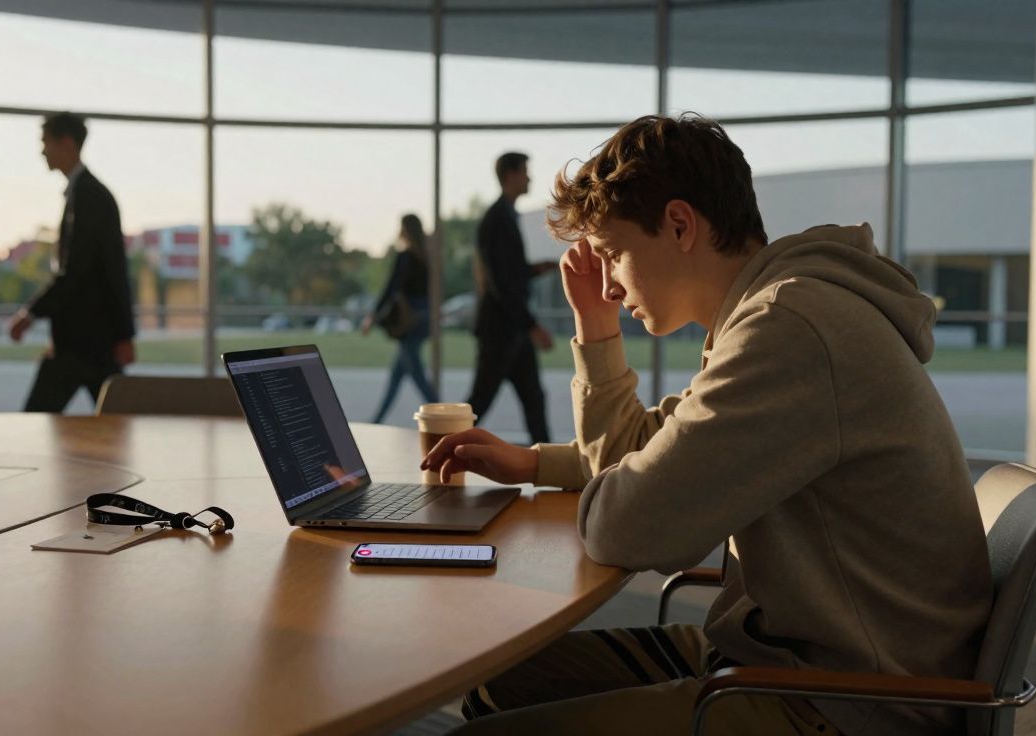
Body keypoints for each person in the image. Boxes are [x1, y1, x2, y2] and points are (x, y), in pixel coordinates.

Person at [422, 114, 992, 736]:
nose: (608, 284)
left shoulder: (791, 328)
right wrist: (544, 445)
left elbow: (631, 529)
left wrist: (607, 484)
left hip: (843, 698)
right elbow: (653, 449)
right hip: (787, 654)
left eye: (613, 254)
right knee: (502, 685)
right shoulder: (773, 310)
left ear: (679, 225)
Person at [8, 112, 135, 412]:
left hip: (83, 342)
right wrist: (124, 334)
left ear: (65, 142)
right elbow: (111, 271)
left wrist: (30, 314)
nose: (42, 151)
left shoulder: (88, 196)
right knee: (116, 424)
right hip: (90, 342)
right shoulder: (88, 193)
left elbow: (80, 271)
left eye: (45, 143)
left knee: (37, 417)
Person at [466, 152, 556, 444]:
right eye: (525, 172)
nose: (529, 178)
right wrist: (532, 325)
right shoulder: (497, 219)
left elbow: (508, 273)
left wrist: (534, 269)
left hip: (511, 329)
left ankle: (550, 468)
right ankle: (444, 451)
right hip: (501, 330)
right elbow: (502, 282)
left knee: (533, 399)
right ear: (510, 175)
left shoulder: (506, 216)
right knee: (479, 402)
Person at [361, 213, 439, 422]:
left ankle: (446, 419)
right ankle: (376, 421)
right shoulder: (427, 257)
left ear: (406, 230)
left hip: (409, 321)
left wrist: (372, 315)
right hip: (423, 319)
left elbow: (391, 287)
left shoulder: (406, 257)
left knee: (418, 377)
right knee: (397, 376)